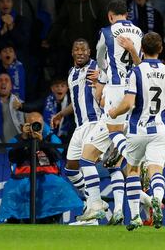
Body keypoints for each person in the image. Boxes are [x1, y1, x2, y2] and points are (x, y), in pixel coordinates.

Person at [108, 32, 165, 231]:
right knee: (155, 170)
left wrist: (115, 111)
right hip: (159, 129)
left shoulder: (137, 71)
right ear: (160, 49)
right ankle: (157, 199)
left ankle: (135, 217)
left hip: (137, 129)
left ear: (142, 49)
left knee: (132, 170)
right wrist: (161, 108)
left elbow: (129, 103)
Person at [50, 39, 103, 220]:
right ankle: (92, 199)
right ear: (72, 53)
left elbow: (109, 90)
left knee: (88, 162)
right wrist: (61, 114)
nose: (80, 52)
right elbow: (76, 100)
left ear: (89, 52)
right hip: (80, 126)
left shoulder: (97, 68)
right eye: (77, 49)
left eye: (83, 49)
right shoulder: (71, 73)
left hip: (96, 123)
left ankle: (95, 205)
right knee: (71, 169)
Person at [0, 112, 83, 223]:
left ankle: (52, 219)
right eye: (32, 124)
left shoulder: (51, 138)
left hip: (48, 177)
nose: (36, 127)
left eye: (39, 124)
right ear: (26, 125)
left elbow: (57, 156)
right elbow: (12, 158)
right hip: (22, 178)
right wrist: (24, 139)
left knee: (59, 186)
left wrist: (42, 142)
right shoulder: (17, 139)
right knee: (11, 189)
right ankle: (14, 220)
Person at [96, 0, 143, 163]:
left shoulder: (106, 31)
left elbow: (99, 58)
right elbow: (140, 63)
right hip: (134, 88)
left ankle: (128, 155)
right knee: (129, 131)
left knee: (113, 131)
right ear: (127, 15)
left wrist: (104, 70)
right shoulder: (139, 32)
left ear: (110, 16)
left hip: (116, 86)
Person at [46, 0, 106, 74]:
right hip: (71, 49)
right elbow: (60, 23)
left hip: (92, 50)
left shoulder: (98, 3)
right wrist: (49, 39)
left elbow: (104, 26)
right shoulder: (69, 2)